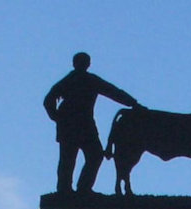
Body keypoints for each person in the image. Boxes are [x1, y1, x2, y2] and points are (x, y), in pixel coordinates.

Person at [44, 52, 140, 194]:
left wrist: (133, 103)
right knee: (71, 158)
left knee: (91, 156)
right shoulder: (75, 80)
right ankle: (67, 189)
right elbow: (48, 100)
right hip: (74, 125)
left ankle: (81, 188)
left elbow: (113, 92)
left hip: (83, 125)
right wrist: (57, 117)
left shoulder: (85, 80)